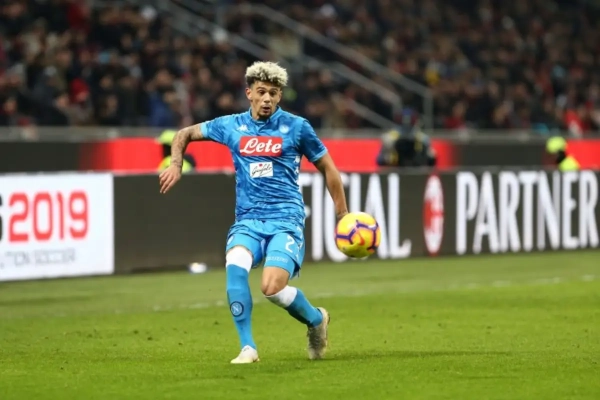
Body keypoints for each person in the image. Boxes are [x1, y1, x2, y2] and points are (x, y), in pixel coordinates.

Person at [158, 61, 349, 364]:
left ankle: (316, 320)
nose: (267, 98)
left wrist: (342, 215)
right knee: (235, 264)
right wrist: (176, 165)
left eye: (273, 93)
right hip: (248, 220)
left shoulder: (297, 127)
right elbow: (184, 133)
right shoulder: (231, 125)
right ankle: (248, 347)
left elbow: (328, 167)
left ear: (280, 96)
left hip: (285, 219)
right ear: (249, 93)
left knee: (271, 288)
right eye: (261, 92)